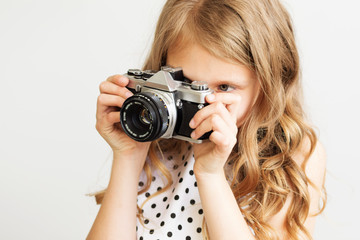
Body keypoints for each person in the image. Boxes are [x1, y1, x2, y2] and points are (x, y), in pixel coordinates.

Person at [86, 0, 326, 239]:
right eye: (186, 83)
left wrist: (210, 175)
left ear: (270, 83)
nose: (205, 105)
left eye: (224, 87)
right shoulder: (155, 139)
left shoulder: (293, 156)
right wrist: (127, 157)